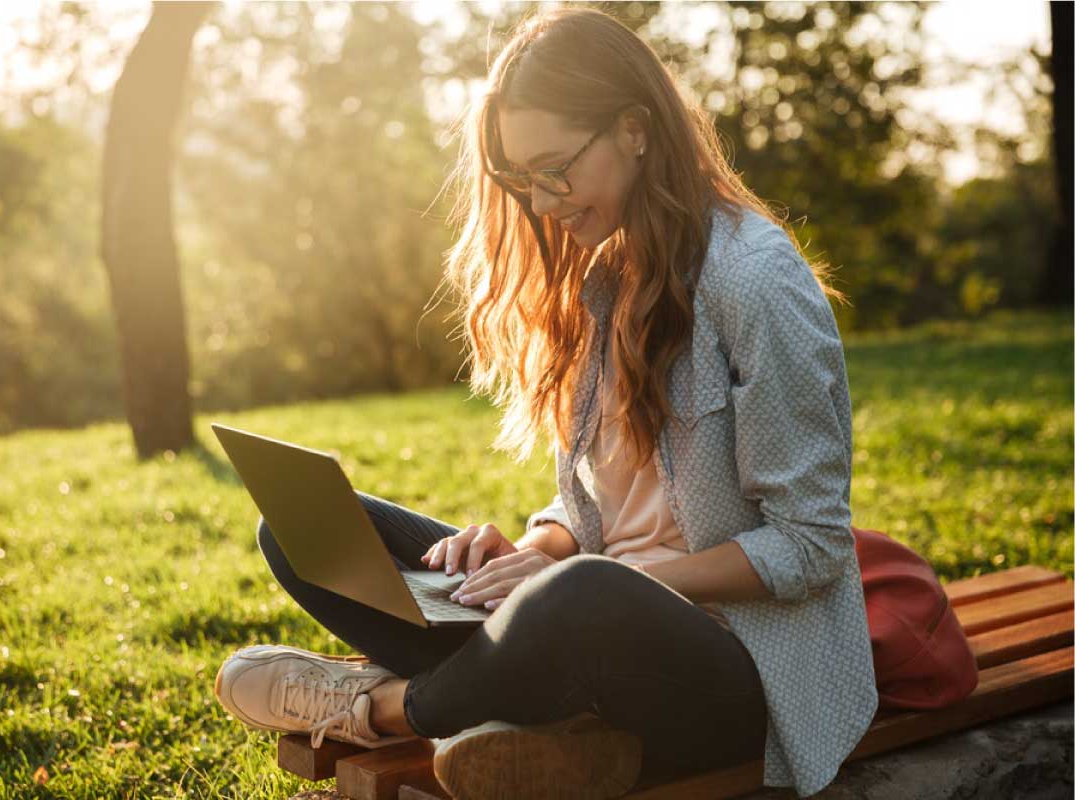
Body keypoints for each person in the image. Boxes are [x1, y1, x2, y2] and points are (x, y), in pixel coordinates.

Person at [213, 8, 878, 799]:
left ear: (634, 128)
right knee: (305, 526)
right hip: (592, 623)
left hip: (736, 675)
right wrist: (539, 547)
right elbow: (607, 506)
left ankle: (386, 707)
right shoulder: (606, 275)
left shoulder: (754, 280)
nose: (542, 201)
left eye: (555, 168)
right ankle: (547, 729)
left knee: (586, 594)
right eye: (521, 179)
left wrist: (610, 575)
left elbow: (809, 546)